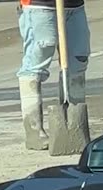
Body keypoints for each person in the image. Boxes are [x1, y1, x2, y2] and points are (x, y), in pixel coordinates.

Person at [17, 0, 91, 150]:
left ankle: (74, 125)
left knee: (79, 59)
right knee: (37, 59)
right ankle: (34, 131)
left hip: (75, 6)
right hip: (39, 6)